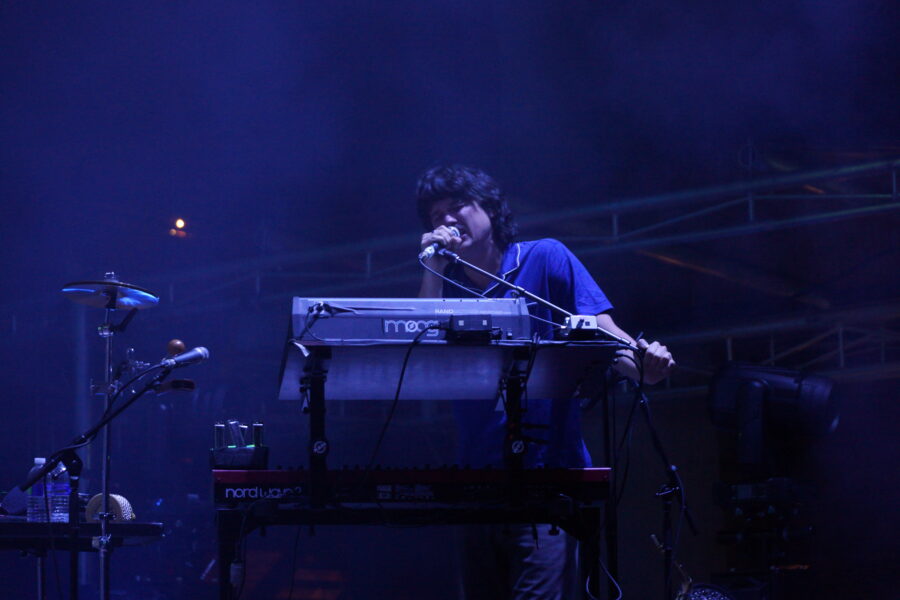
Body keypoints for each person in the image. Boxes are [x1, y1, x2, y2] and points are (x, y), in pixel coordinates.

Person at [415, 164, 675, 600]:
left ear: (490, 209)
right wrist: (431, 268)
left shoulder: (544, 258)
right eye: (436, 214)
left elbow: (602, 332)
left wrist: (644, 367)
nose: (446, 219)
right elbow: (418, 351)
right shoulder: (444, 289)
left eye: (457, 205)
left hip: (547, 478)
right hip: (474, 483)